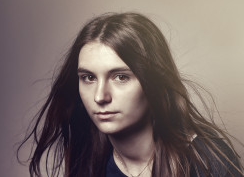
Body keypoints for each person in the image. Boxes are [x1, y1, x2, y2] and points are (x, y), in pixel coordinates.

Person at [17, 12, 243, 177]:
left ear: (152, 82)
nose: (100, 96)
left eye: (121, 77)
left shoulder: (205, 160)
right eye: (88, 77)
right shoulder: (86, 161)